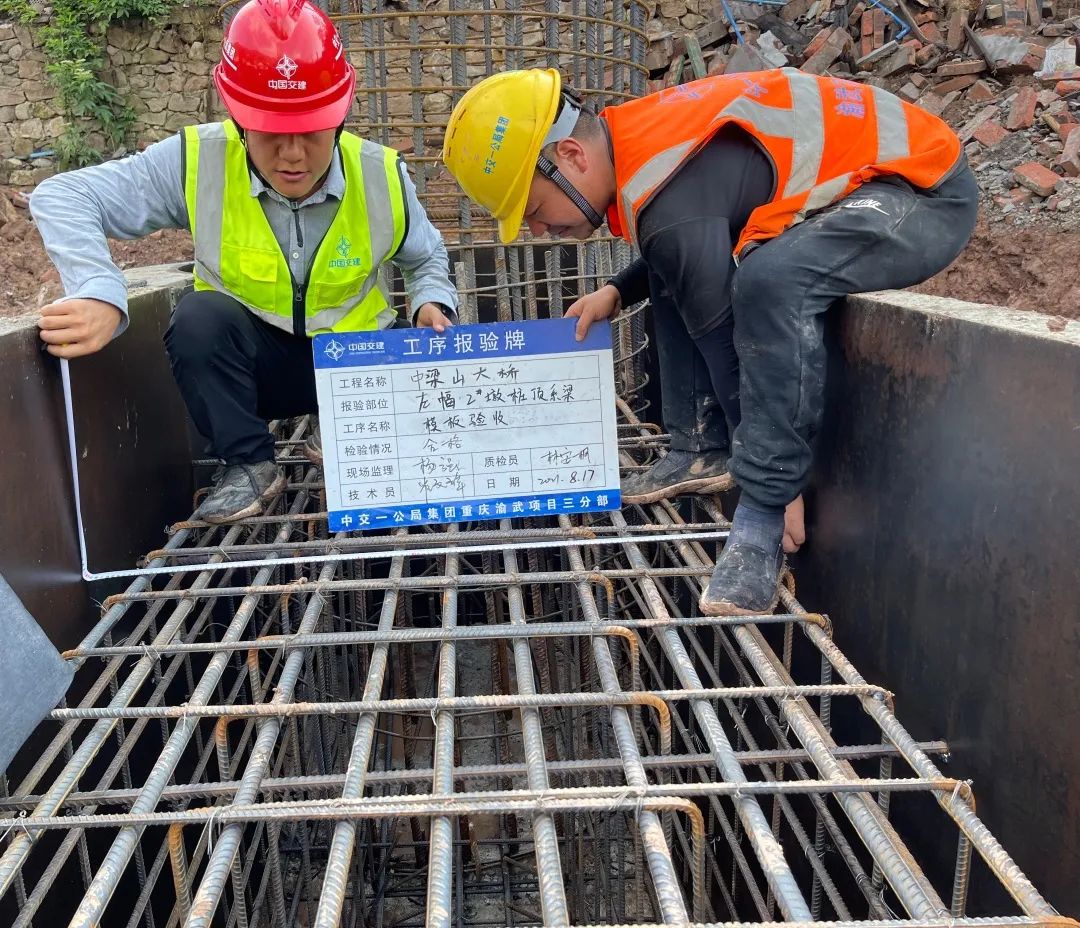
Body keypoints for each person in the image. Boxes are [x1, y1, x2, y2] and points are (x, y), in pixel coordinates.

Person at [442, 67, 977, 615]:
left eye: (533, 209)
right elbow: (680, 241)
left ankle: (762, 520)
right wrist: (618, 290)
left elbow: (727, 341)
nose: (537, 230)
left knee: (770, 281)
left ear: (574, 157)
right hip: (878, 185)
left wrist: (773, 485)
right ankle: (698, 447)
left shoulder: (663, 188)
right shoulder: (640, 149)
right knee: (693, 274)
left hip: (922, 192)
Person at [31, 0, 458, 524]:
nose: (293, 155)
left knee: (389, 350)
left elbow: (427, 256)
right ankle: (251, 463)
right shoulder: (197, 160)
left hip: (352, 366)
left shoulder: (381, 175)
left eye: (312, 132)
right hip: (252, 373)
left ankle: (344, 428)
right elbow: (63, 196)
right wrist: (99, 287)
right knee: (198, 319)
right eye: (271, 133)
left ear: (340, 116)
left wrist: (430, 301)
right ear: (238, 119)